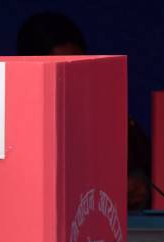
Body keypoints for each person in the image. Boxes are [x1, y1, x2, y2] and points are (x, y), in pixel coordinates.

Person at [17, 12, 152, 211]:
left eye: (77, 68)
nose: (70, 80)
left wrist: (138, 188)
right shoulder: (9, 127)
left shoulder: (115, 123)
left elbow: (144, 179)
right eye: (58, 70)